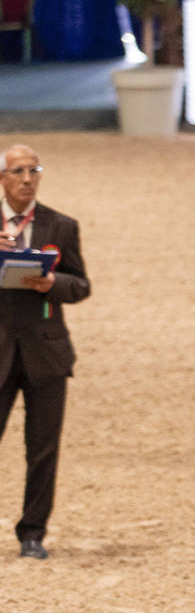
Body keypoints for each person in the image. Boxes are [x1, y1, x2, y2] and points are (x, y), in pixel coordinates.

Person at [0, 145, 90, 560]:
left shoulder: (61, 225)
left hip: (46, 353)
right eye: (17, 171)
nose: (26, 179)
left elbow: (81, 285)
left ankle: (32, 532)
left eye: (33, 170)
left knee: (43, 449)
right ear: (3, 179)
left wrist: (51, 284)